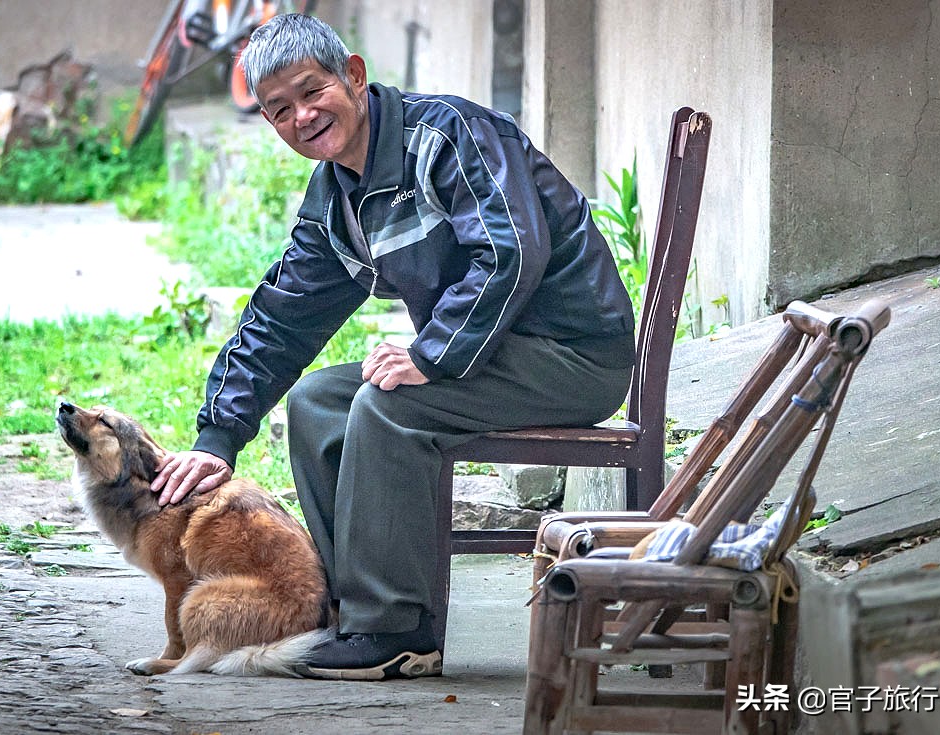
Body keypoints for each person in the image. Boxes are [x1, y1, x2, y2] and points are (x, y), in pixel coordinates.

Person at [149, 13, 635, 681]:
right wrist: (217, 435)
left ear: (352, 74)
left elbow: (511, 249)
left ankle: (396, 630)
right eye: (279, 109)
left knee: (385, 405)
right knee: (320, 400)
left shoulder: (448, 136)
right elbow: (281, 318)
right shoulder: (335, 201)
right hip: (490, 357)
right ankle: (345, 612)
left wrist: (430, 354)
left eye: (312, 90)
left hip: (573, 354)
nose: (302, 116)